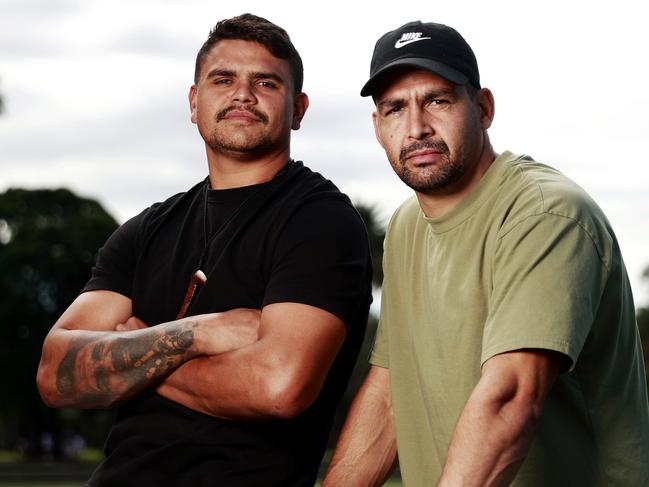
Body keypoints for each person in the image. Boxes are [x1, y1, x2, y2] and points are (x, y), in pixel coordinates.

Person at [36, 14, 372, 487]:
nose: (243, 94)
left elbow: (278, 386)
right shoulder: (147, 229)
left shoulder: (319, 221)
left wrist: (135, 351)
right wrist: (196, 333)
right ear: (194, 102)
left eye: (265, 82)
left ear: (298, 109)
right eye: (223, 79)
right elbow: (55, 372)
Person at [323, 20, 649, 487]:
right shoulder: (406, 227)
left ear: (483, 107)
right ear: (378, 127)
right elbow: (391, 396)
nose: (417, 127)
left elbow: (510, 396)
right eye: (395, 108)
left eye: (437, 100)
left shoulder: (545, 214)